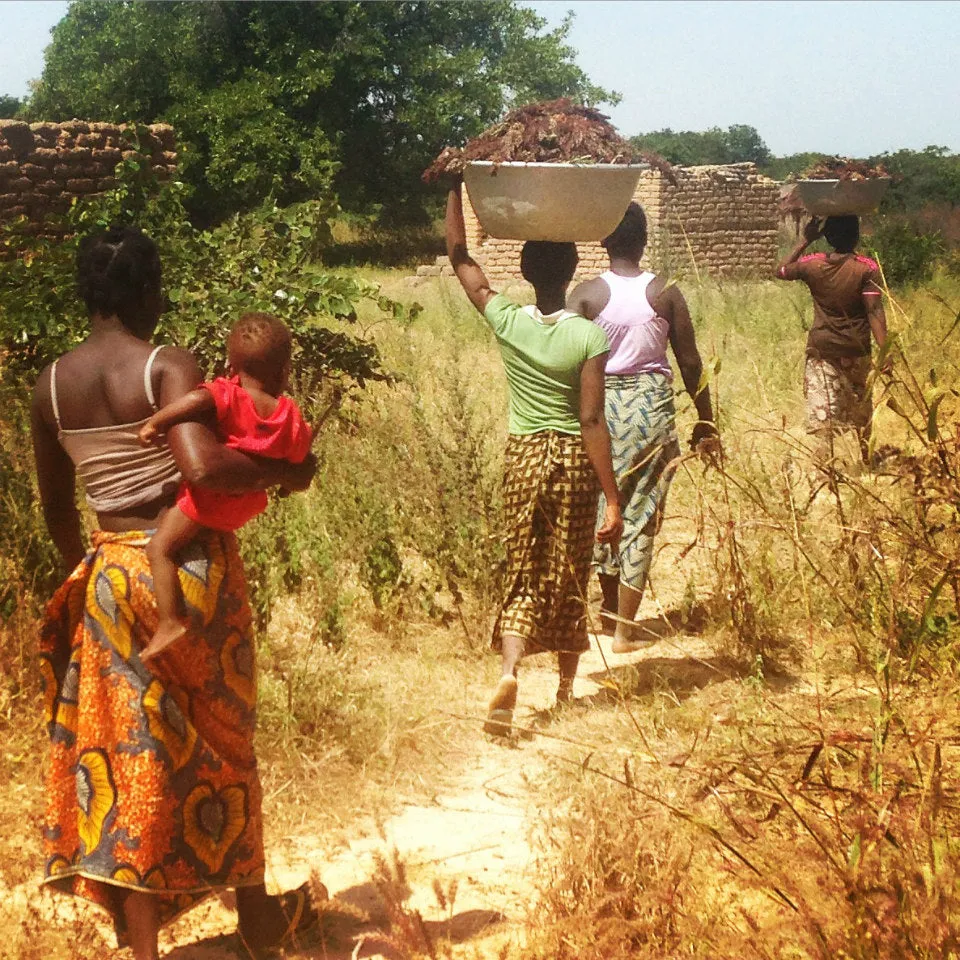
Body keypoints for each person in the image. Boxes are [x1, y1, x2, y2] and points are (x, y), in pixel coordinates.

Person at [30, 225, 322, 960]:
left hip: (106, 570)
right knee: (225, 737)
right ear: (144, 291)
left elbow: (59, 508)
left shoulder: (51, 386)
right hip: (187, 567)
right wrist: (285, 475)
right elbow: (206, 473)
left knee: (129, 751)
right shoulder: (167, 365)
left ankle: (143, 942)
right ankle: (255, 919)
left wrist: (100, 578)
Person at [444, 182, 623, 736]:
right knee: (569, 570)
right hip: (571, 459)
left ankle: (510, 670)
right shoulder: (589, 336)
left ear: (523, 270)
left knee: (523, 567)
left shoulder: (508, 320)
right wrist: (613, 498)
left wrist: (456, 189)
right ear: (572, 271)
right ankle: (567, 690)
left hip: (523, 457)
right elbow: (592, 421)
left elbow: (460, 259)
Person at [568, 202, 718, 651]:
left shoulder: (587, 295)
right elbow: (690, 362)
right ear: (645, 239)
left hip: (599, 409)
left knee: (603, 503)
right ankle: (624, 628)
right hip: (650, 410)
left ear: (604, 241)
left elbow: (568, 357)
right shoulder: (665, 292)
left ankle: (608, 610)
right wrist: (707, 420)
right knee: (641, 510)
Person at [138, 312, 312, 661]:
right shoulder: (290, 415)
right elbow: (298, 466)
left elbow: (195, 402)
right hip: (246, 504)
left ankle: (170, 620)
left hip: (208, 501)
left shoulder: (228, 395)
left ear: (232, 363)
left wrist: (156, 421)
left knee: (160, 549)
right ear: (284, 371)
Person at [775, 214, 888, 466]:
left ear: (826, 237)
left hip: (822, 351)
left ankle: (825, 470)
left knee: (823, 412)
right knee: (861, 406)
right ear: (856, 236)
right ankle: (867, 459)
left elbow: (781, 270)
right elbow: (874, 311)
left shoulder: (813, 265)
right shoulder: (866, 268)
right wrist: (885, 351)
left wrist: (805, 240)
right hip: (856, 350)